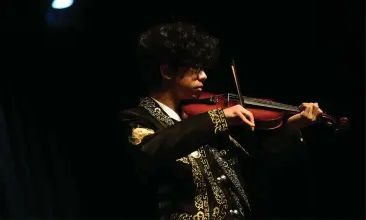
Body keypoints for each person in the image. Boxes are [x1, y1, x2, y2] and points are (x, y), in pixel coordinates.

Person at [119, 22, 323, 219]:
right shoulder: (137, 118)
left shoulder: (197, 119)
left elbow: (253, 174)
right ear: (167, 71)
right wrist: (218, 117)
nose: (204, 75)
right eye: (196, 67)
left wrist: (289, 130)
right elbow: (149, 151)